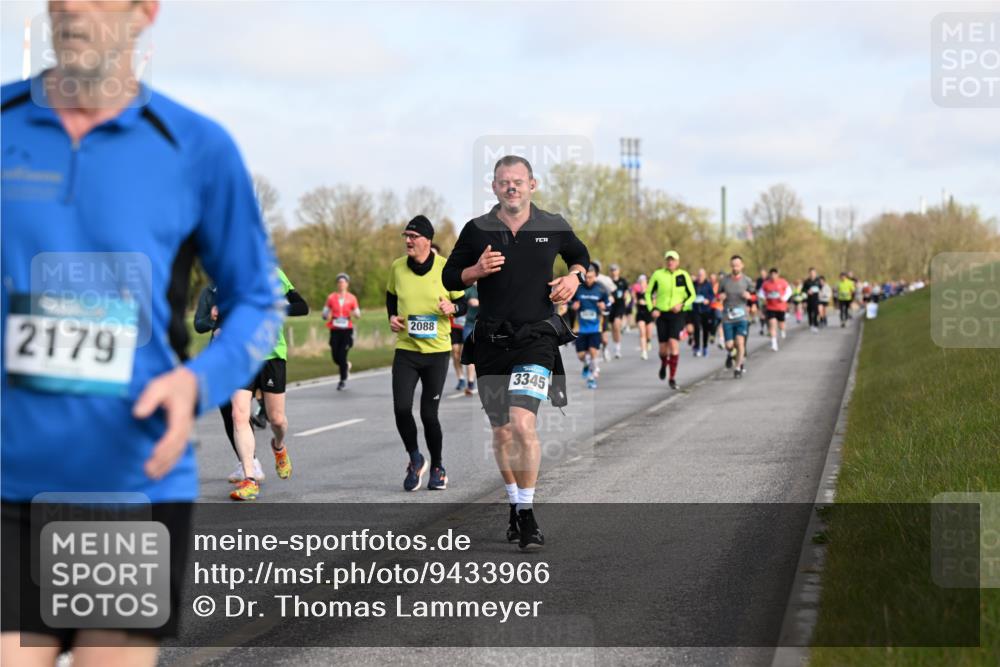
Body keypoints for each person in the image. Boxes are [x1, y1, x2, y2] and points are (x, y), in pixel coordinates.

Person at [1, 1, 283, 662]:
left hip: (128, 478)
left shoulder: (195, 147)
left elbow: (257, 300)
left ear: (143, 12)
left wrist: (197, 382)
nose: (72, 9)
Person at [442, 155, 589, 551]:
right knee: (502, 430)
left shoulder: (552, 224)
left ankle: (527, 512)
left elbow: (581, 256)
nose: (511, 187)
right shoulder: (476, 229)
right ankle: (514, 502)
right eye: (504, 181)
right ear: (494, 187)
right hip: (491, 341)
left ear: (532, 185)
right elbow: (449, 275)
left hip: (536, 339)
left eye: (518, 181)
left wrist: (574, 277)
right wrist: (475, 271)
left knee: (523, 425)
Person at [387, 216, 467, 492]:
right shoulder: (397, 267)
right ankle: (415, 459)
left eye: (413, 236)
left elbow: (464, 303)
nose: (408, 241)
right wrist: (391, 317)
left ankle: (438, 467)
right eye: (406, 236)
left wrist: (453, 309)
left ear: (427, 240)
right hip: (406, 349)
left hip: (437, 353)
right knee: (401, 408)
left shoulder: (446, 268)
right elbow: (390, 297)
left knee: (428, 414)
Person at [229, 268, 309, 501]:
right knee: (239, 415)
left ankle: (279, 446)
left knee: (277, 420)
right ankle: (249, 478)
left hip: (271, 356)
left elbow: (302, 306)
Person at [194, 283, 268, 481]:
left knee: (239, 413)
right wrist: (212, 320)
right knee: (227, 413)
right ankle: (244, 462)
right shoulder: (209, 292)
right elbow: (198, 325)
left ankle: (252, 463)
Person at [645, 250, 695, 389]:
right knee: (663, 350)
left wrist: (682, 304)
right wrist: (652, 309)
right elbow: (648, 293)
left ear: (677, 262)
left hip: (677, 314)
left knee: (673, 343)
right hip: (662, 314)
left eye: (673, 260)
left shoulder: (683, 275)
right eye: (668, 259)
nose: (670, 262)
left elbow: (692, 295)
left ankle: (672, 378)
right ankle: (663, 363)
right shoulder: (658, 274)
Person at [571, 265, 610, 389]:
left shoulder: (601, 289)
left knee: (593, 352)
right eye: (586, 277)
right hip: (580, 327)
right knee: (581, 356)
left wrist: (604, 307)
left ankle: (591, 378)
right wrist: (573, 305)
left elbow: (609, 305)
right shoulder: (578, 288)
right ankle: (586, 364)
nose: (588, 280)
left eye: (591, 277)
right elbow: (569, 301)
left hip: (595, 327)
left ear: (595, 276)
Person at [323, 273, 361, 391]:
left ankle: (342, 380)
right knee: (335, 356)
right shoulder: (331, 297)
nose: (341, 284)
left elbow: (358, 313)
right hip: (335, 329)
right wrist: (325, 315)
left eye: (343, 282)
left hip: (347, 330)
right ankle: (346, 366)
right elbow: (325, 312)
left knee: (342, 355)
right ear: (337, 284)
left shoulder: (352, 298)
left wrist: (355, 314)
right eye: (339, 282)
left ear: (347, 284)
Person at [719, 256, 754, 378]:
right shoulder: (724, 281)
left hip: (742, 317)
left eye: (737, 265)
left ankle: (738, 367)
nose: (735, 268)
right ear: (730, 266)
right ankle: (732, 354)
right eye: (733, 265)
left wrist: (750, 297)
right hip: (728, 317)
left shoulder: (747, 280)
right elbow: (717, 295)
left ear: (742, 265)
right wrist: (720, 297)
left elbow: (755, 296)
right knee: (729, 345)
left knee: (740, 342)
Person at [759, 267, 792, 352]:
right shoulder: (766, 283)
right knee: (772, 324)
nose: (773, 275)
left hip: (781, 307)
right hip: (770, 307)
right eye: (772, 274)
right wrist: (764, 298)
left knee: (781, 325)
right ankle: (774, 344)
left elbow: (789, 291)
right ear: (770, 275)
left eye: (775, 274)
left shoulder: (782, 282)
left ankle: (782, 330)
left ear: (778, 274)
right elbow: (761, 292)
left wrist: (784, 298)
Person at [592, 261, 616, 361]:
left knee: (604, 337)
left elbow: (612, 294)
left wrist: (609, 300)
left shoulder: (605, 280)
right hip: (590, 312)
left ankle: (605, 348)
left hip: (602, 312)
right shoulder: (584, 279)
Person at [607, 264, 631, 359]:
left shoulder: (623, 281)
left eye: (615, 270)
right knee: (613, 328)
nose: (614, 272)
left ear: (618, 271)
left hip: (620, 306)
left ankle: (617, 349)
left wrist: (626, 298)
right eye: (612, 270)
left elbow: (627, 292)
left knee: (616, 325)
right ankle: (615, 345)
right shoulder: (608, 281)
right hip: (610, 306)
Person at [691, 268, 715, 357]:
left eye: (701, 275)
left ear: (705, 276)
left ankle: (705, 347)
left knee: (705, 329)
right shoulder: (693, 284)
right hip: (696, 309)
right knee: (696, 328)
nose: (700, 277)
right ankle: (697, 347)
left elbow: (712, 295)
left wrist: (708, 300)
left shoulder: (708, 285)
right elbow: (689, 294)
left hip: (705, 310)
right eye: (699, 275)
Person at [461, 282, 480, 396]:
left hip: (484, 325)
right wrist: (467, 301)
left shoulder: (491, 284)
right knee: (470, 353)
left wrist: (479, 303)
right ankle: (470, 383)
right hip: (469, 324)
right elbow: (459, 299)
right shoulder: (469, 289)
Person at [632, 274, 653, 359]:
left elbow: (655, 303)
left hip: (649, 314)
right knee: (642, 333)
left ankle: (649, 341)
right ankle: (644, 352)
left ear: (646, 282)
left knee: (648, 333)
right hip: (640, 314)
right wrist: (636, 301)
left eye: (643, 281)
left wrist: (646, 303)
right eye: (640, 282)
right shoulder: (637, 293)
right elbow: (634, 301)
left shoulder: (650, 292)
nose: (642, 283)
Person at [802, 268, 822, 332]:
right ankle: (811, 324)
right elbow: (803, 290)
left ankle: (816, 325)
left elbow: (821, 288)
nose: (812, 274)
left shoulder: (818, 281)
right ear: (809, 273)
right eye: (811, 273)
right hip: (809, 299)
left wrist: (820, 292)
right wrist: (807, 291)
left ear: (815, 273)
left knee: (816, 312)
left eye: (813, 273)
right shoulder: (807, 281)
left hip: (816, 299)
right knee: (810, 312)